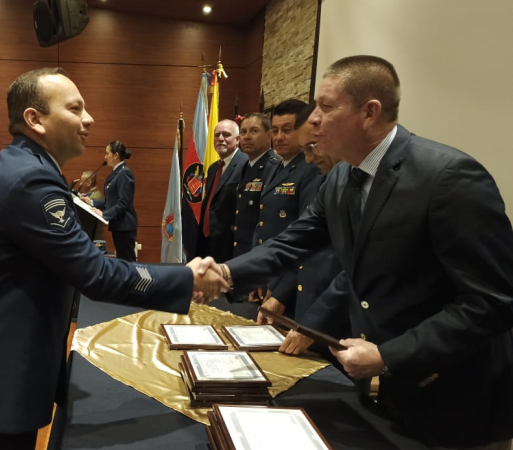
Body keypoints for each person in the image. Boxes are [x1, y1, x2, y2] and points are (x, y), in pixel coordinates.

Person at [218, 55, 513, 449]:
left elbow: (493, 302)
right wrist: (222, 274)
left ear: (369, 112)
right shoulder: (342, 174)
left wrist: (389, 356)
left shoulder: (449, 177)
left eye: (325, 106)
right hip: (381, 398)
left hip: (456, 403)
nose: (314, 120)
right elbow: (294, 241)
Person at [0, 67, 227, 450]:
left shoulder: (22, 166)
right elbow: (94, 273)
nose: (90, 119)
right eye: (75, 108)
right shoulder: (31, 179)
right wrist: (185, 278)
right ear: (35, 119)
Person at [258, 103, 350, 360]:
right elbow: (297, 237)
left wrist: (312, 323)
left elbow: (349, 269)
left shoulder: (322, 175)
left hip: (336, 317)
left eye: (313, 146)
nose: (308, 157)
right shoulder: (335, 178)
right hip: (309, 306)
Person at [251, 99, 324, 321]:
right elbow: (262, 225)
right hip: (270, 275)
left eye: (287, 130)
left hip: (292, 285)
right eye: (275, 130)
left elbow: (308, 238)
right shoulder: (276, 166)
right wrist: (257, 274)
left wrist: (282, 290)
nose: (279, 136)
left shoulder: (312, 168)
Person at [196, 119, 247, 263]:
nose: (220, 139)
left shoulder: (245, 164)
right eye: (217, 135)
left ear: (237, 140)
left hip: (230, 246)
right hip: (208, 241)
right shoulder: (213, 168)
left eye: (226, 135)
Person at [231, 112, 280, 259]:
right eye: (243, 132)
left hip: (258, 253)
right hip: (241, 251)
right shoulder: (246, 165)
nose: (247, 136)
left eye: (254, 130)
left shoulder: (274, 166)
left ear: (268, 136)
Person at [85, 141, 138, 261]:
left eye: (107, 153)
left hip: (125, 225)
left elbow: (123, 203)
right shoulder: (117, 173)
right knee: (123, 260)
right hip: (119, 225)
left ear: (116, 155)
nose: (105, 156)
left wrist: (104, 214)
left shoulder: (124, 173)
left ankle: (133, 280)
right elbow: (111, 201)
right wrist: (91, 202)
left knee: (127, 260)